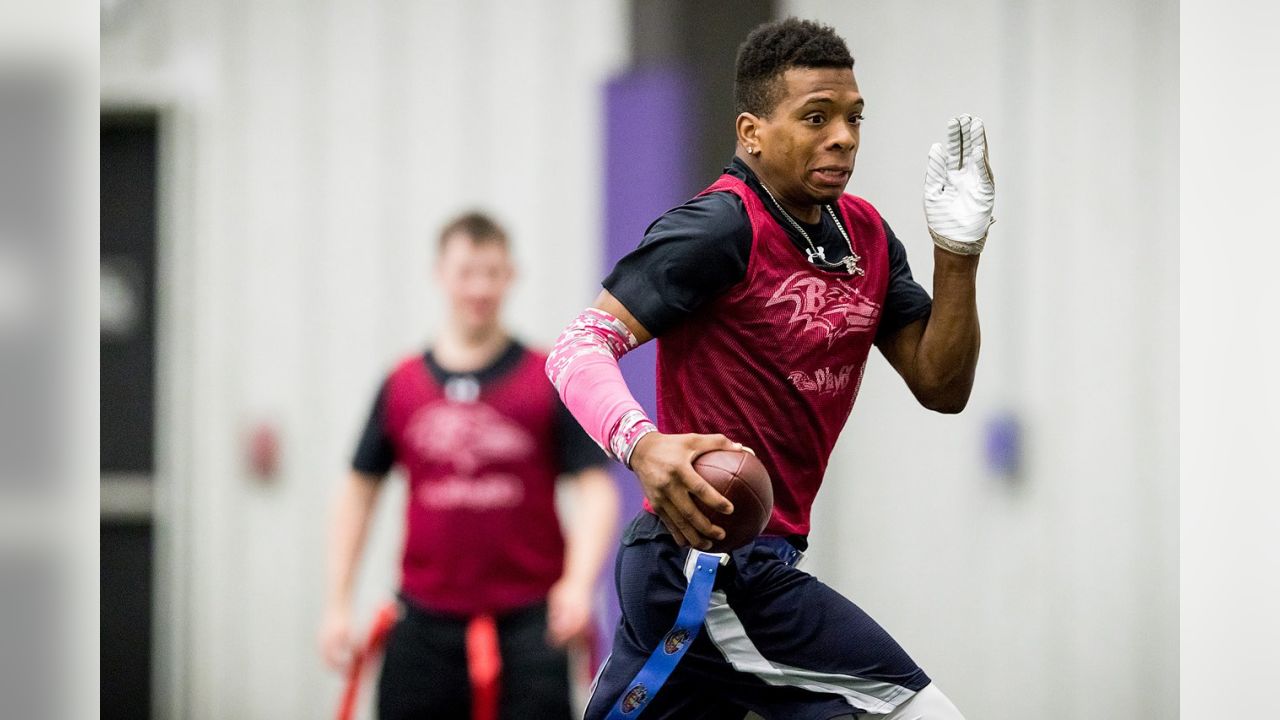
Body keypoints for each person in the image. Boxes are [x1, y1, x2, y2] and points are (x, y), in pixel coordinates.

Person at [546, 17, 992, 720]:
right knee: (917, 712)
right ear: (752, 132)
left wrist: (958, 254)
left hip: (746, 568)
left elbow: (942, 384)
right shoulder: (720, 227)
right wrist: (641, 443)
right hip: (711, 569)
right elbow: (577, 347)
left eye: (853, 117)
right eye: (816, 117)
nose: (843, 136)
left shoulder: (868, 236)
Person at [321, 212, 619, 720]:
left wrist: (576, 584)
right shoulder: (402, 385)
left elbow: (597, 490)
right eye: (466, 273)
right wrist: (338, 603)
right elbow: (359, 490)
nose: (479, 287)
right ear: (441, 275)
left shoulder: (546, 380)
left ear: (511, 276)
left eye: (492, 272)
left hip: (531, 630)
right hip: (422, 628)